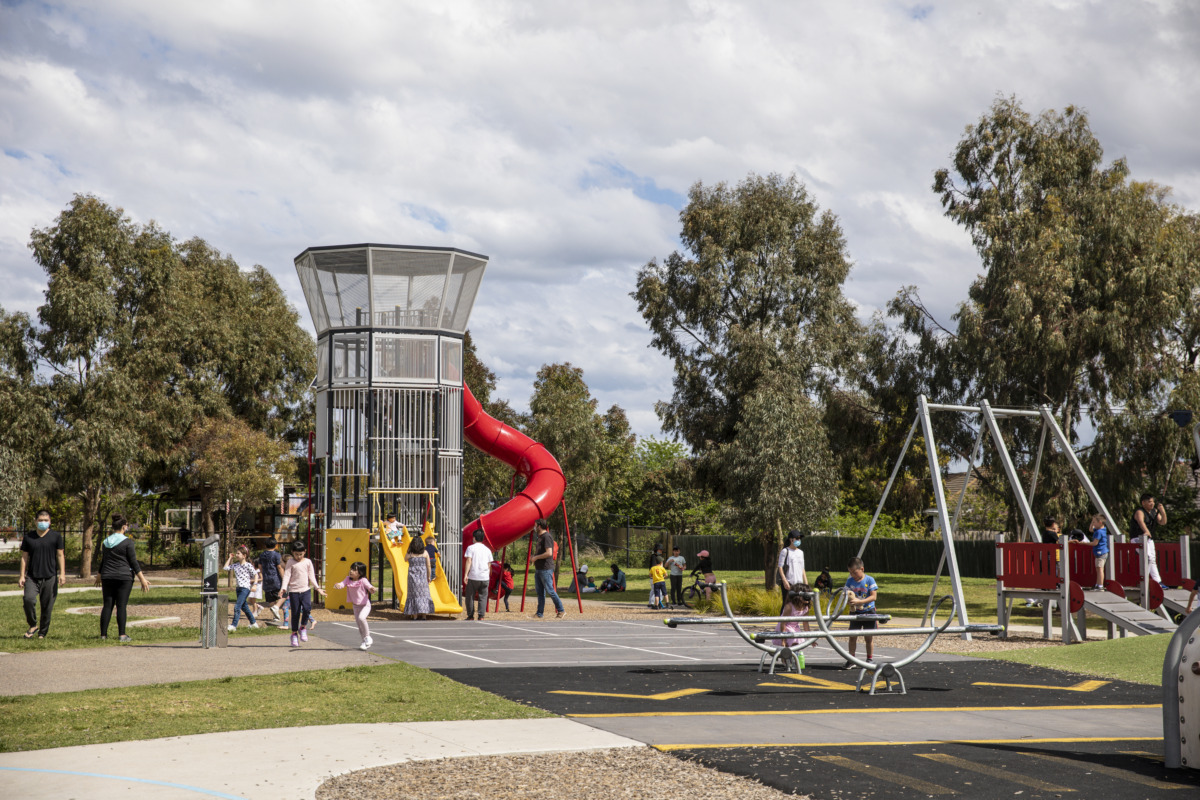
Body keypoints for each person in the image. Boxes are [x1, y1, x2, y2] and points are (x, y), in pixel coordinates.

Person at [95, 514, 150, 642]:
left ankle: (103, 635)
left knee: (107, 605)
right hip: (123, 577)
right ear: (124, 527)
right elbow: (133, 562)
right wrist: (142, 579)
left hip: (107, 576)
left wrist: (99, 575)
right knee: (121, 605)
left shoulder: (106, 542)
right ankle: (122, 635)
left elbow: (104, 560)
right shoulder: (127, 542)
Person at [18, 509, 66, 639]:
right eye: (40, 520)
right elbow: (24, 557)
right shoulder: (29, 537)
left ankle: (42, 632)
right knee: (28, 600)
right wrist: (22, 575)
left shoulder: (56, 536)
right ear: (35, 521)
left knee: (47, 606)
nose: (43, 522)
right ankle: (33, 625)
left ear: (50, 522)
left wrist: (62, 574)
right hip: (32, 577)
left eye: (46, 520)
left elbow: (60, 555)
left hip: (50, 576)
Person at [282, 541, 325, 646]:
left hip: (305, 590)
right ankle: (294, 634)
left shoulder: (308, 562)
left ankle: (303, 627)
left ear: (305, 552)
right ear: (292, 552)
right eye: (296, 554)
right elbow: (287, 576)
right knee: (295, 613)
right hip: (294, 592)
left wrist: (318, 588)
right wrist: (283, 588)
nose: (298, 556)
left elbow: (312, 576)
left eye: (301, 554)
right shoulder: (290, 562)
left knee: (307, 608)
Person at [844, 556, 879, 666]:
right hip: (855, 613)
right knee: (852, 636)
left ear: (862, 569)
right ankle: (852, 659)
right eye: (850, 573)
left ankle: (869, 659)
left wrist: (860, 602)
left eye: (854, 572)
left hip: (868, 611)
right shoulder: (850, 581)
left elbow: (873, 597)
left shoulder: (869, 580)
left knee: (868, 637)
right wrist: (848, 600)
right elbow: (846, 594)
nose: (852, 575)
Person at [334, 561, 376, 650]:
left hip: (365, 605)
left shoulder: (363, 580)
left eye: (354, 570)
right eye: (351, 569)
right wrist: (338, 585)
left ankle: (368, 637)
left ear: (360, 573)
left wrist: (372, 589)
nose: (351, 571)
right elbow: (342, 584)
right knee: (359, 625)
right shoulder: (347, 579)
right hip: (355, 606)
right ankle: (364, 641)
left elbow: (369, 586)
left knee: (361, 618)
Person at [1131, 493, 1168, 590]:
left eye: (1153, 502)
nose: (1152, 504)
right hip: (1137, 538)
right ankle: (1144, 580)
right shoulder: (1139, 511)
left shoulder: (1154, 511)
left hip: (1148, 539)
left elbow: (1162, 522)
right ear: (1143, 503)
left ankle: (1157, 581)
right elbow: (1140, 522)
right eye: (1149, 502)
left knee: (1152, 559)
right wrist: (1146, 531)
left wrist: (1162, 512)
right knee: (1147, 557)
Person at [531, 518, 564, 618]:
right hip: (539, 568)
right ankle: (539, 613)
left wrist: (536, 557)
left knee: (550, 590)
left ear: (539, 526)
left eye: (535, 525)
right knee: (540, 593)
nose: (534, 527)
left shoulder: (547, 537)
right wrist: (533, 557)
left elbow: (549, 553)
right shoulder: (540, 537)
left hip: (546, 569)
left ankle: (561, 610)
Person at [224, 544, 261, 632]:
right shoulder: (236, 565)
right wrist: (230, 558)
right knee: (244, 607)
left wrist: (255, 584)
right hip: (239, 588)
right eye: (236, 553)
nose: (236, 555)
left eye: (238, 553)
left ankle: (233, 625)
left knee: (237, 607)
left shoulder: (248, 565)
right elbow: (225, 568)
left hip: (245, 588)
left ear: (244, 556)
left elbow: (255, 574)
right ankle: (253, 623)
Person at [462, 530, 493, 621]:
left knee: (470, 596)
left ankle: (470, 615)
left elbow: (469, 561)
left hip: (473, 576)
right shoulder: (487, 549)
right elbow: (489, 564)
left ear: (474, 538)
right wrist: (487, 575)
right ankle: (481, 615)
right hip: (484, 577)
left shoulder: (471, 548)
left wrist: (466, 574)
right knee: (483, 597)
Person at [776, 529, 808, 613]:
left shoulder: (801, 552)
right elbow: (780, 567)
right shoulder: (785, 551)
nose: (798, 540)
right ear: (791, 539)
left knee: (798, 603)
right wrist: (784, 581)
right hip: (789, 581)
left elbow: (802, 568)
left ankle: (793, 623)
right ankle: (781, 624)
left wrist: (806, 582)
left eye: (799, 538)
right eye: (797, 538)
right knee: (786, 603)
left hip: (799, 583)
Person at [404, 533, 435, 620]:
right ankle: (424, 615)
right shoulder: (425, 553)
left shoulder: (410, 553)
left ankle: (415, 616)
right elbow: (428, 566)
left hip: (412, 578)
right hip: (422, 577)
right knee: (424, 595)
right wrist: (429, 576)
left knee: (413, 595)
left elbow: (405, 559)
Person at [257, 538, 286, 624]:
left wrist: (262, 575)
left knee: (270, 598)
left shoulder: (262, 555)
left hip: (266, 579)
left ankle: (275, 617)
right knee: (284, 594)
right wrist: (284, 577)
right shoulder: (276, 555)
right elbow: (279, 567)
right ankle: (276, 607)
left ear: (265, 545)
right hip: (276, 578)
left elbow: (260, 566)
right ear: (275, 545)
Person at [1083, 514, 1110, 590]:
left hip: (1100, 553)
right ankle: (1098, 584)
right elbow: (1091, 530)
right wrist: (1092, 521)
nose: (1093, 524)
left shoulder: (1099, 532)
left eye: (1094, 522)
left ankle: (1100, 585)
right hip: (1099, 553)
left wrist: (1084, 543)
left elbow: (1095, 543)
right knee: (1098, 569)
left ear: (1100, 522)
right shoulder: (1101, 529)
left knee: (1100, 569)